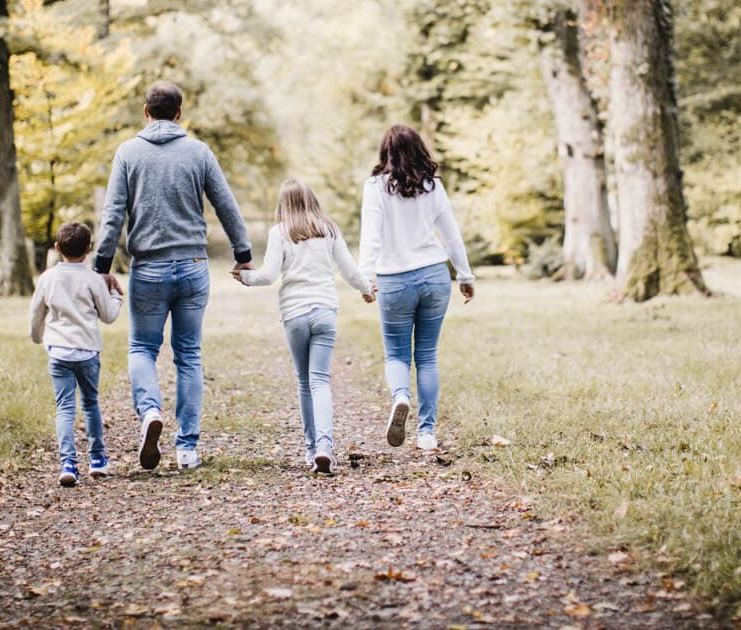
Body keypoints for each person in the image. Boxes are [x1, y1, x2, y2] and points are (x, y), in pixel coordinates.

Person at [93, 82, 253, 471]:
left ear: (146, 111)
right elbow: (226, 204)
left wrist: (101, 266)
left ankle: (150, 411)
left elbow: (113, 213)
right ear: (179, 114)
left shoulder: (128, 152)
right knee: (189, 354)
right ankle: (187, 448)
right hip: (193, 266)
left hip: (148, 267)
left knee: (142, 348)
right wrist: (243, 254)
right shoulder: (199, 152)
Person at [235, 179, 375, 474]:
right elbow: (349, 270)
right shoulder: (329, 229)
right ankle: (324, 447)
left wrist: (245, 276)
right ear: (312, 200)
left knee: (304, 382)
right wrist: (366, 289)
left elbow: (268, 276)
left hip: (295, 314)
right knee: (320, 380)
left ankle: (311, 450)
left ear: (283, 204)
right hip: (324, 311)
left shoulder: (279, 232)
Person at [358, 125, 475, 452]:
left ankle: (401, 396)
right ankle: (426, 433)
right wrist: (465, 275)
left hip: (394, 280)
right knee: (426, 356)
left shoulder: (375, 187)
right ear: (418, 149)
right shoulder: (432, 185)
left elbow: (370, 238)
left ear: (385, 152)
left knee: (396, 353)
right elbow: (451, 236)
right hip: (435, 276)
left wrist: (365, 278)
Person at [29, 221, 123, 487]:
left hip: (58, 353)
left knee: (64, 408)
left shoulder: (48, 278)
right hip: (87, 352)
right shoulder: (93, 279)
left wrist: (37, 336)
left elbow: (36, 311)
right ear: (89, 249)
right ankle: (97, 459)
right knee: (91, 404)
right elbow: (108, 316)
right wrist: (116, 297)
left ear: (57, 247)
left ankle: (68, 464)